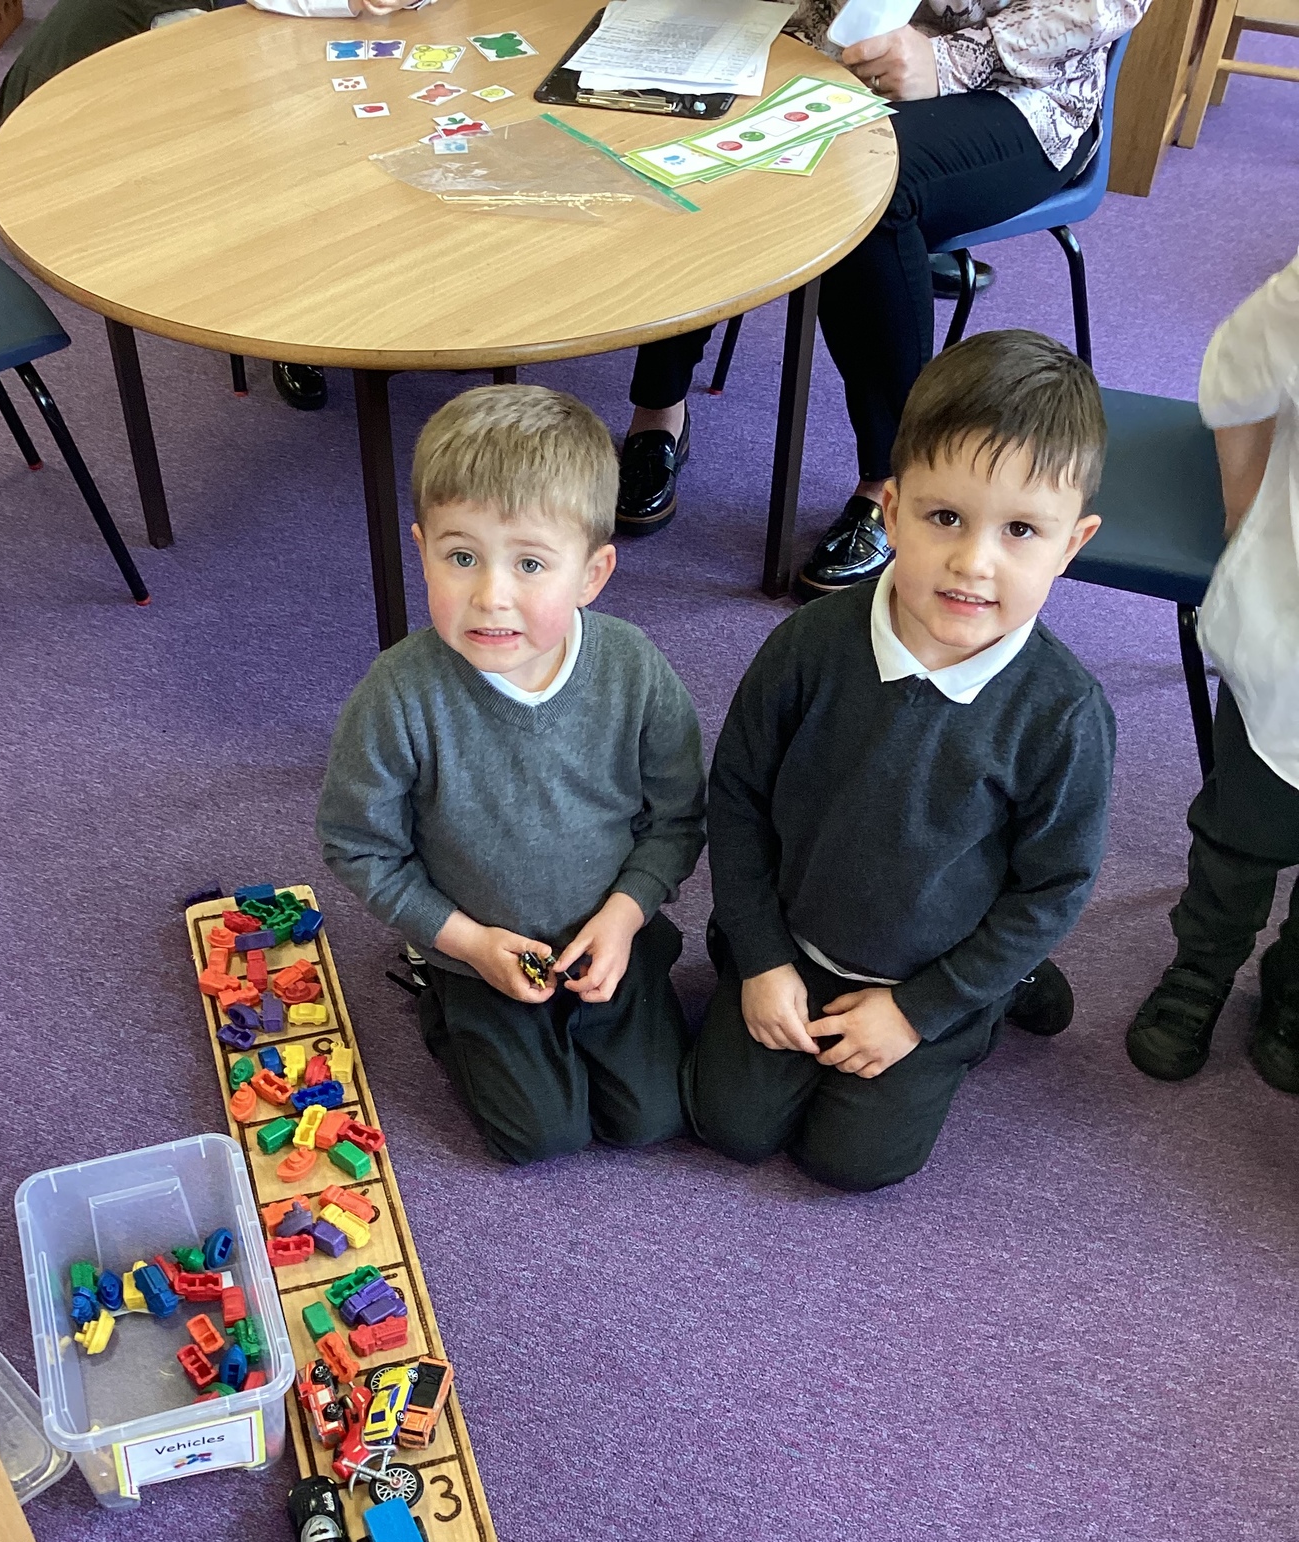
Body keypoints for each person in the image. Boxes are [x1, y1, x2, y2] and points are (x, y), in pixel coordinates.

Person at [685, 329, 1113, 1192]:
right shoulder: (810, 645)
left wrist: (922, 1011)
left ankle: (998, 994)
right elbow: (734, 798)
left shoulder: (1064, 714)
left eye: (1021, 530)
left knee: (853, 1162)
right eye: (944, 517)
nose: (974, 562)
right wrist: (762, 958)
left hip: (927, 975)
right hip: (794, 942)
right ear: (890, 510)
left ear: (1071, 545)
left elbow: (1053, 886)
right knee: (727, 1125)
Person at [613, 0, 1144, 588]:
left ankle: (895, 481)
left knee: (866, 186)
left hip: (1018, 91)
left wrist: (948, 61)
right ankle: (658, 411)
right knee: (697, 128)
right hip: (831, 52)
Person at [318, 386, 706, 1166]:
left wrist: (626, 915)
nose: (490, 595)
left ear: (592, 574)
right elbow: (358, 846)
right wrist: (464, 942)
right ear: (422, 549)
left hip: (606, 936)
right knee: (539, 1134)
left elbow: (678, 818)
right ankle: (437, 995)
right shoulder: (398, 695)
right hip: (475, 947)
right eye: (461, 557)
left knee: (653, 1116)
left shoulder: (633, 670)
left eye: (530, 563)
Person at [0, 0, 411, 410]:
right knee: (274, 163)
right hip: (56, 153)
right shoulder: (177, 19)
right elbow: (216, 92)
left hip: (88, 106)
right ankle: (291, 333)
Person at [1127, 251, 1299, 1093]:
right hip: (1290, 636)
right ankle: (1201, 968)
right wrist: (1242, 510)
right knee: (1243, 834)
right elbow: (1238, 373)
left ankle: (1294, 982)